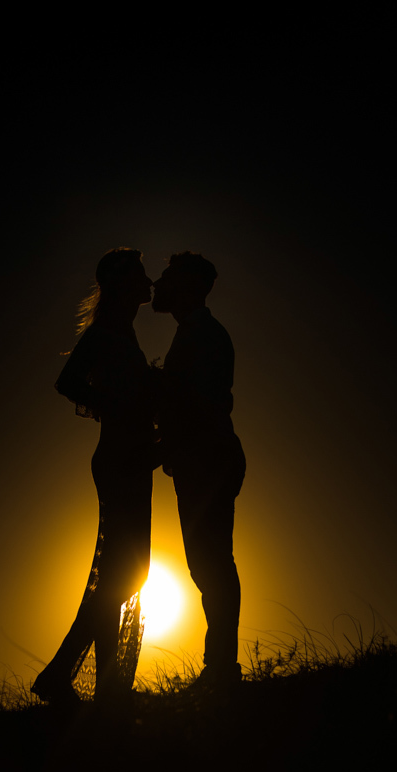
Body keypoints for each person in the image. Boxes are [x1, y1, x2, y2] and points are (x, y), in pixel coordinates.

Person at [32, 247, 157, 705]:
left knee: (126, 572)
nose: (149, 281)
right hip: (119, 457)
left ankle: (102, 687)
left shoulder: (123, 331)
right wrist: (116, 409)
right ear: (122, 284)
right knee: (125, 573)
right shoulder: (106, 332)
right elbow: (68, 382)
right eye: (141, 274)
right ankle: (66, 674)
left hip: (131, 456)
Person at [152, 251, 246, 692]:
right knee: (207, 564)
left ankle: (222, 668)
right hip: (205, 458)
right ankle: (221, 665)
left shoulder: (203, 335)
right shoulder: (197, 333)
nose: (158, 284)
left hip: (208, 458)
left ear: (188, 287)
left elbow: (197, 403)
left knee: (211, 564)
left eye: (168, 278)